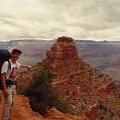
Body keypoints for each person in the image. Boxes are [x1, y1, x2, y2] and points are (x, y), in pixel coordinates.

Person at [1, 49, 31, 120]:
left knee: (12, 103)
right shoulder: (6, 63)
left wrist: (28, 66)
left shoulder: (15, 63)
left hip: (13, 86)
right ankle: (5, 118)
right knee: (8, 103)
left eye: (18, 55)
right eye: (15, 54)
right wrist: (4, 89)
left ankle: (9, 117)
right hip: (8, 86)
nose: (17, 56)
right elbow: (2, 76)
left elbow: (20, 65)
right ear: (12, 55)